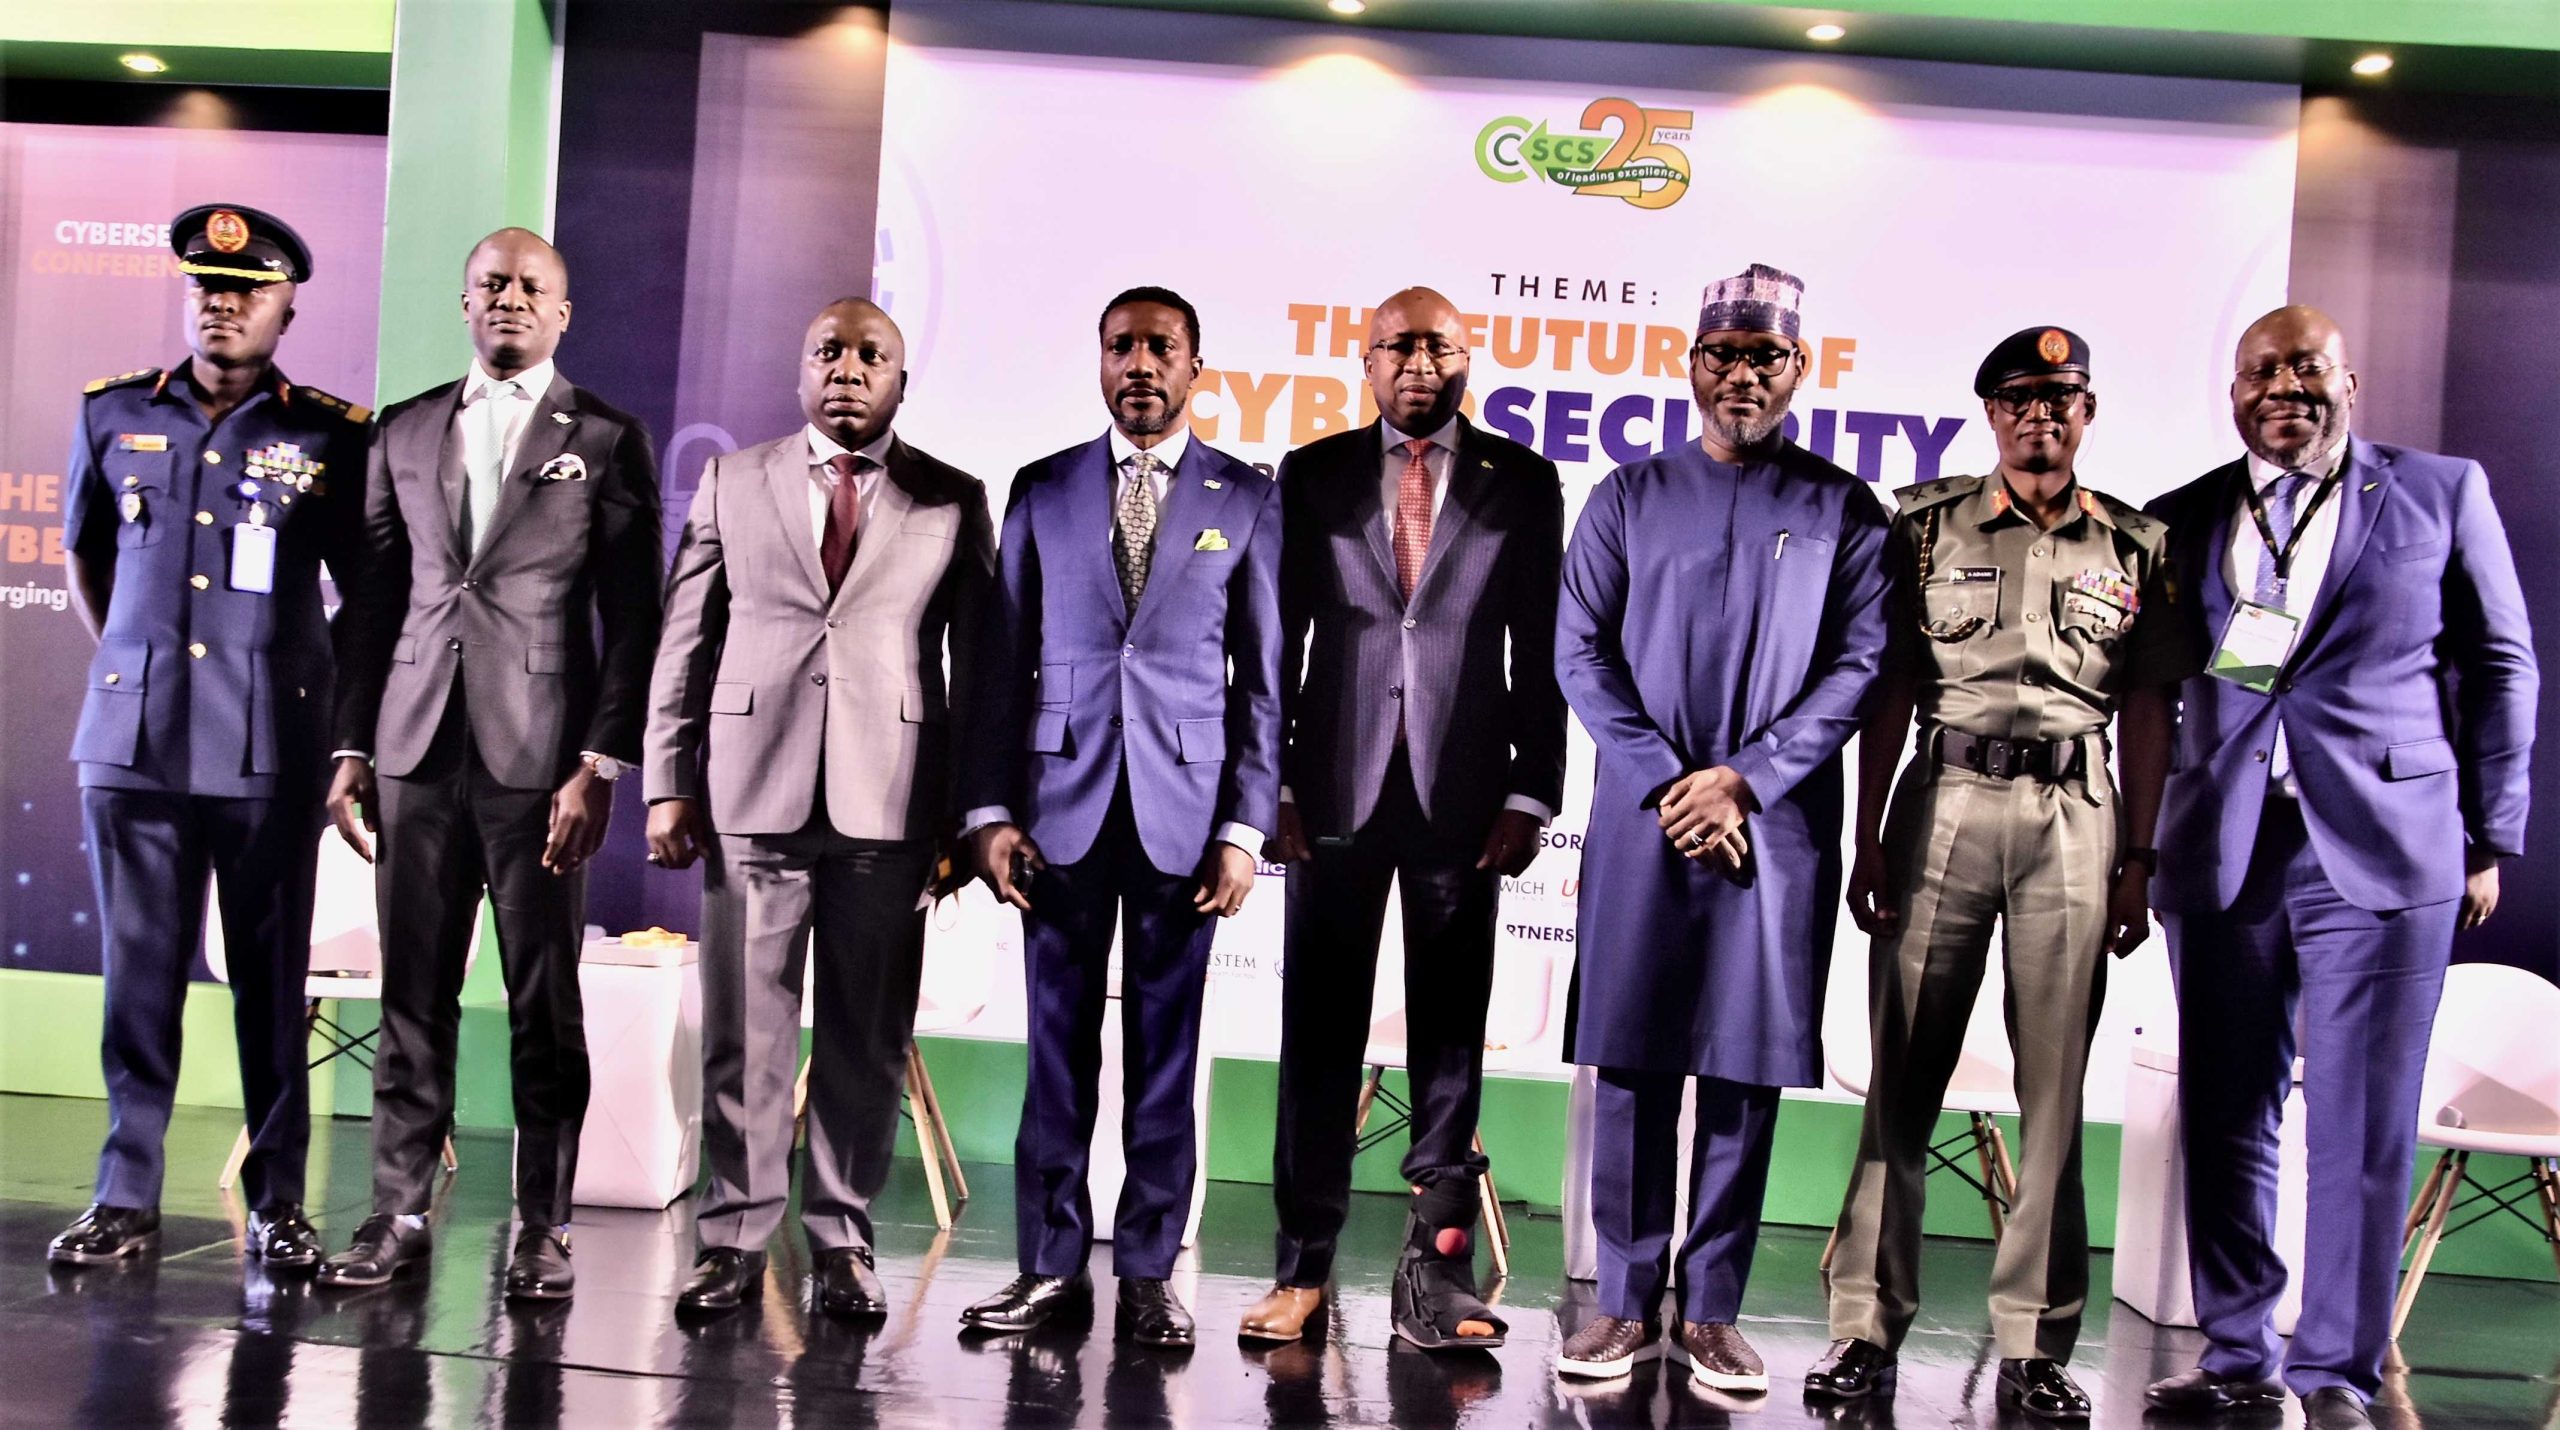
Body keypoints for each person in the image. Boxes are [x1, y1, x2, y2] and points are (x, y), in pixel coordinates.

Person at [2140, 307, 2535, 1430]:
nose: (2283, 388)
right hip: (2225, 849)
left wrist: (2488, 834)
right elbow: (2156, 693)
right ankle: (2235, 1349)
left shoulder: (2438, 491)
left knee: (2362, 1123)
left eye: (2305, 367)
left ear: (2348, 381)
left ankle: (2335, 1373)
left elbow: (2501, 663)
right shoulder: (2179, 517)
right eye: (2259, 372)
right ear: (2233, 393)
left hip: (2387, 845)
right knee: (2225, 1111)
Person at [1809, 327, 2177, 1419]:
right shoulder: (1924, 527)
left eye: (2060, 398)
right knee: (1902, 1080)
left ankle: (2033, 1341)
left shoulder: (2137, 545)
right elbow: (1887, 684)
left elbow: (2149, 707)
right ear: (1991, 413)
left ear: (2087, 413)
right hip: (1946, 801)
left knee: (2054, 1095)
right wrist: (1867, 834)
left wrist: (2139, 859)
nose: (2039, 416)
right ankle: (1865, 1325)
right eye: (2019, 398)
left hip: (2077, 813)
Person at [1552, 263, 1889, 1391]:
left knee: (1744, 1070)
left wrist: (1745, 780)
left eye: (1765, 357)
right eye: (1723, 356)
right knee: (1634, 1056)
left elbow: (1858, 668)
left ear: (1800, 368)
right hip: (1646, 817)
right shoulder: (1627, 495)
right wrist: (1672, 784)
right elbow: (1580, 654)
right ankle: (1620, 1302)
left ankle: (1712, 1311)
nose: (1742, 376)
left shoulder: (1844, 509)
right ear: (1692, 365)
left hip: (1773, 828)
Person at [317, 228, 665, 1301]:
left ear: (562, 312)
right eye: (491, 284)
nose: (509, 298)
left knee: (542, 1004)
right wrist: (351, 743)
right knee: (411, 995)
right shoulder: (404, 427)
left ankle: (543, 1226)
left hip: (541, 763)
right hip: (415, 750)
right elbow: (374, 601)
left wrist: (599, 763)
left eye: (530, 287)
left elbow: (635, 615)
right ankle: (397, 1211)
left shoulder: (605, 436)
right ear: (465, 302)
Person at [643, 297, 994, 1319]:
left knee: (866, 1034)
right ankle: (733, 1237)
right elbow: (685, 637)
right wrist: (667, 779)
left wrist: (969, 816)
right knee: (743, 1034)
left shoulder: (952, 496)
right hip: (751, 790)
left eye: (870, 355)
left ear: (901, 381)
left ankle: (842, 1236)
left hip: (892, 804)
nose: (847, 369)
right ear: (800, 372)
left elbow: (979, 670)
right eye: (827, 352)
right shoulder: (732, 478)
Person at [47, 204, 369, 1274]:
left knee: (271, 987)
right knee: (136, 981)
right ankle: (124, 1196)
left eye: (243, 291)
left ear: (286, 310)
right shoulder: (111, 412)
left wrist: (320, 708)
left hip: (267, 746)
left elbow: (366, 596)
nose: (220, 305)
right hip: (134, 746)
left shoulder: (330, 433)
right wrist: (136, 667)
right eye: (205, 288)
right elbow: (88, 557)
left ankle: (278, 1203)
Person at [956, 286, 1281, 1349]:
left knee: (1165, 1060)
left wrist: (1244, 829)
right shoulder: (1042, 487)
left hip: (1185, 820)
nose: (1139, 364)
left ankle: (1147, 1273)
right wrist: (990, 812)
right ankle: (1049, 1267)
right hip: (1057, 814)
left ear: (1196, 368)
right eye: (1120, 346)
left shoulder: (1248, 496)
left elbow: (1263, 683)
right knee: (1055, 1055)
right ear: (1100, 361)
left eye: (1160, 347)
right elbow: (999, 664)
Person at [1245, 286, 1566, 1351]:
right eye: (1398, 345)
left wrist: (1529, 790)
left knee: (1449, 1048)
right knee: (1317, 1039)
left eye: (1438, 345)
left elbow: (1543, 649)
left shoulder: (1524, 480)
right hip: (1330, 791)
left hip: (1465, 799)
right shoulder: (1312, 473)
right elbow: (1274, 642)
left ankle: (1438, 1280)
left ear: (1469, 357)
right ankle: (1301, 1268)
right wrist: (1272, 785)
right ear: (1366, 359)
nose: (1418, 362)